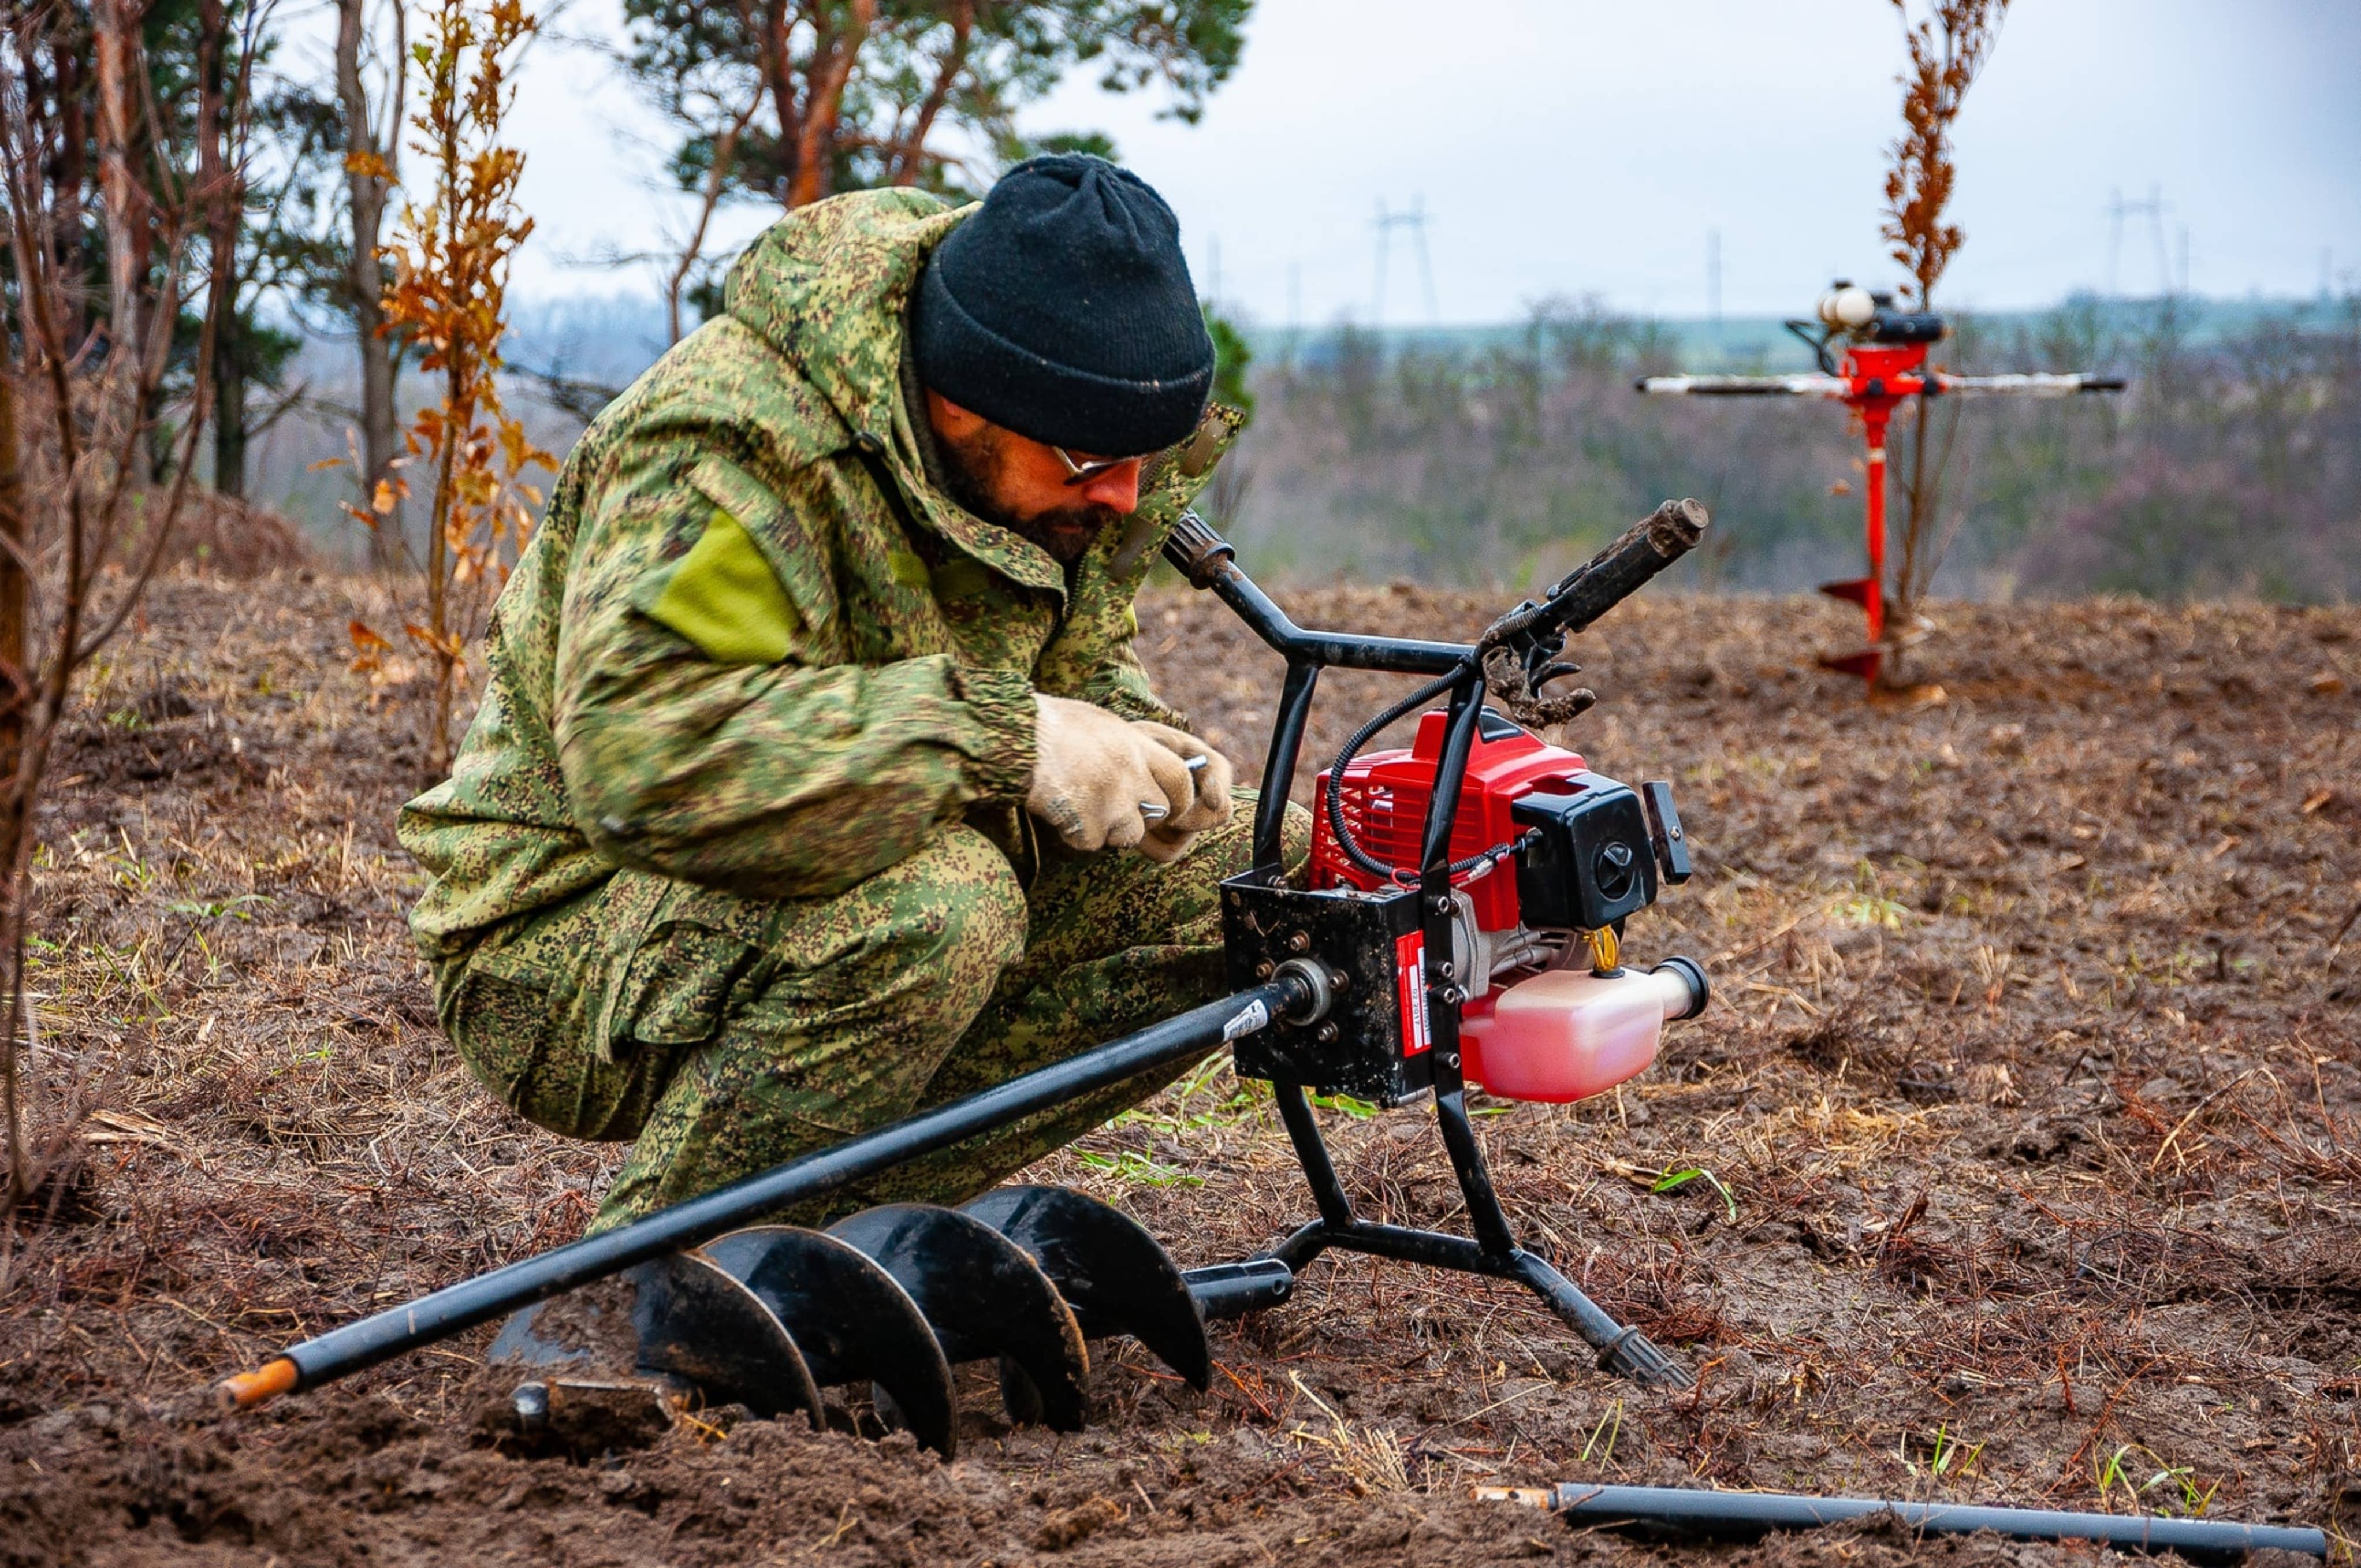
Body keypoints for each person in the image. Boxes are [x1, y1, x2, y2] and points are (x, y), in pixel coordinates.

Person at [397, 155, 1301, 1234]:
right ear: (961, 402)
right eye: (1092, 461)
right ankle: (642, 1289)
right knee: (940, 910)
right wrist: (1004, 737)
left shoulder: (1053, 449)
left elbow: (1066, 650)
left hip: (855, 858)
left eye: (1148, 460)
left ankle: (840, 1238)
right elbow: (651, 759)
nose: (1125, 496)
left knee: (1261, 876)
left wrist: (1124, 741)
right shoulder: (741, 453)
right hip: (569, 927)